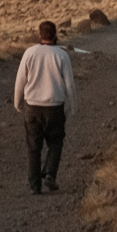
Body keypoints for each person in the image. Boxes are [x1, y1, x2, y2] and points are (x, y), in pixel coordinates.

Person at [12, 21, 75, 194]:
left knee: (34, 147)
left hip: (32, 107)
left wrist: (17, 102)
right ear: (55, 34)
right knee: (55, 142)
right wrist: (72, 105)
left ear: (40, 34)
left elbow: (20, 81)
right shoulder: (62, 55)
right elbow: (69, 84)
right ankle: (49, 174)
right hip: (54, 107)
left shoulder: (29, 53)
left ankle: (34, 185)